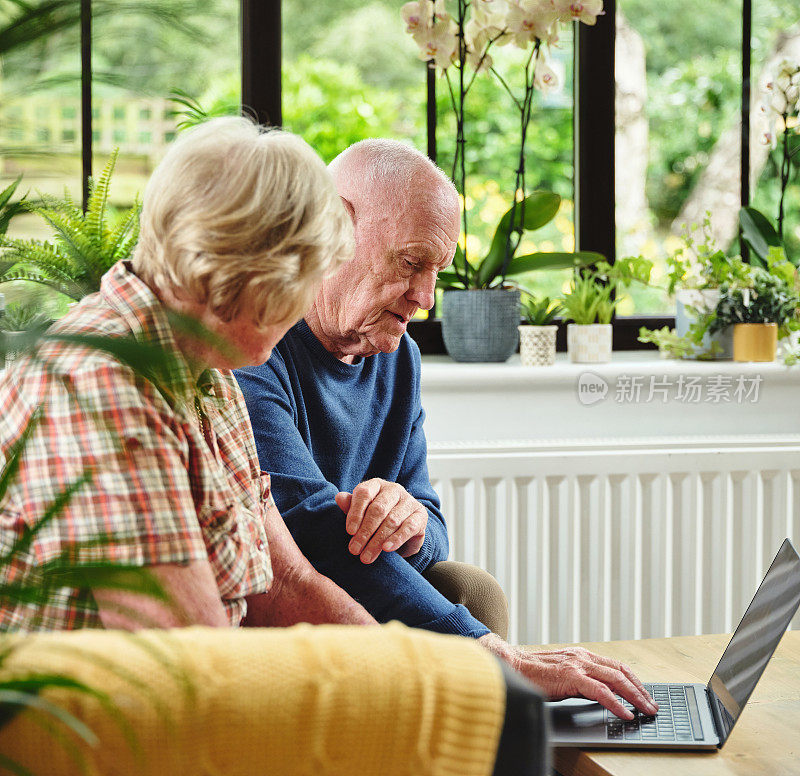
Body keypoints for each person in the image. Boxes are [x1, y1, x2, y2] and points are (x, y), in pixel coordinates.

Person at [235, 139, 658, 720]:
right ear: (331, 227)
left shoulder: (397, 355)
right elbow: (306, 529)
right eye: (411, 264)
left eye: (437, 270)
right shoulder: (251, 344)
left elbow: (432, 526)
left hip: (362, 593)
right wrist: (490, 653)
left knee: (469, 586)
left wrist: (405, 522)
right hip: (287, 615)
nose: (426, 298)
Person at [0, 117, 376, 633]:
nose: (310, 301)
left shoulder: (210, 372)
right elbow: (189, 662)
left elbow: (285, 587)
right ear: (252, 279)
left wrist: (435, 670)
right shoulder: (97, 384)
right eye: (310, 279)